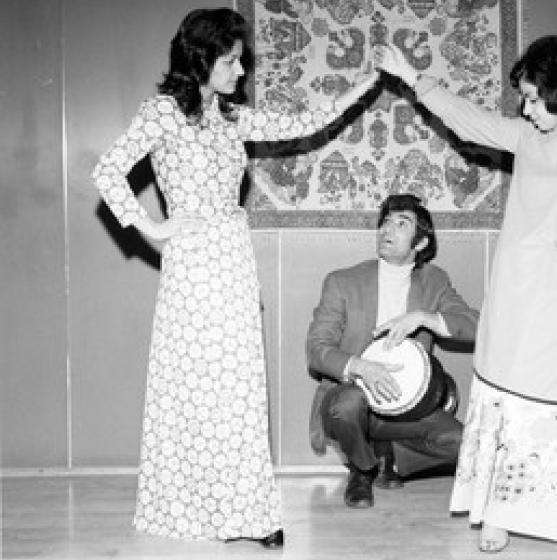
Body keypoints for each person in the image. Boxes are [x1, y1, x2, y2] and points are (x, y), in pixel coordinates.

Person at [91, 7, 378, 547]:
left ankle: (246, 513)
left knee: (241, 392)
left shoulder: (232, 116)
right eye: (231, 61)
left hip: (233, 258)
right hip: (192, 264)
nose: (241, 71)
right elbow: (107, 170)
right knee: (200, 390)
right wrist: (152, 227)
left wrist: (365, 84)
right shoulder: (162, 113)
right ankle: (201, 508)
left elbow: (301, 123)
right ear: (202, 60)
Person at [375, 36, 557, 552]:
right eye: (525, 98)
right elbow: (467, 118)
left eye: (535, 99)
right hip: (514, 287)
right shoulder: (528, 137)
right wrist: (411, 75)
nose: (526, 108)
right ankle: (498, 512)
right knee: (505, 395)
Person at [306, 193, 479, 508]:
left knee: (464, 446)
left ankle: (391, 458)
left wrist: (425, 317)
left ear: (421, 243)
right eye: (385, 222)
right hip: (352, 397)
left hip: (407, 410)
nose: (387, 229)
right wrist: (361, 367)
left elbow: (475, 324)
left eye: (401, 224)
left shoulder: (435, 281)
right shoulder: (342, 281)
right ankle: (363, 468)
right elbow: (316, 350)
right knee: (346, 404)